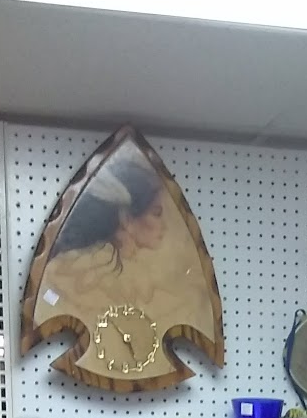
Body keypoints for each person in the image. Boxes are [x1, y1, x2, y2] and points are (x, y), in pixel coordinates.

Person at [34, 143, 216, 370]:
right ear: (127, 218)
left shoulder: (149, 279)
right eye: (156, 213)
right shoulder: (82, 271)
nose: (164, 226)